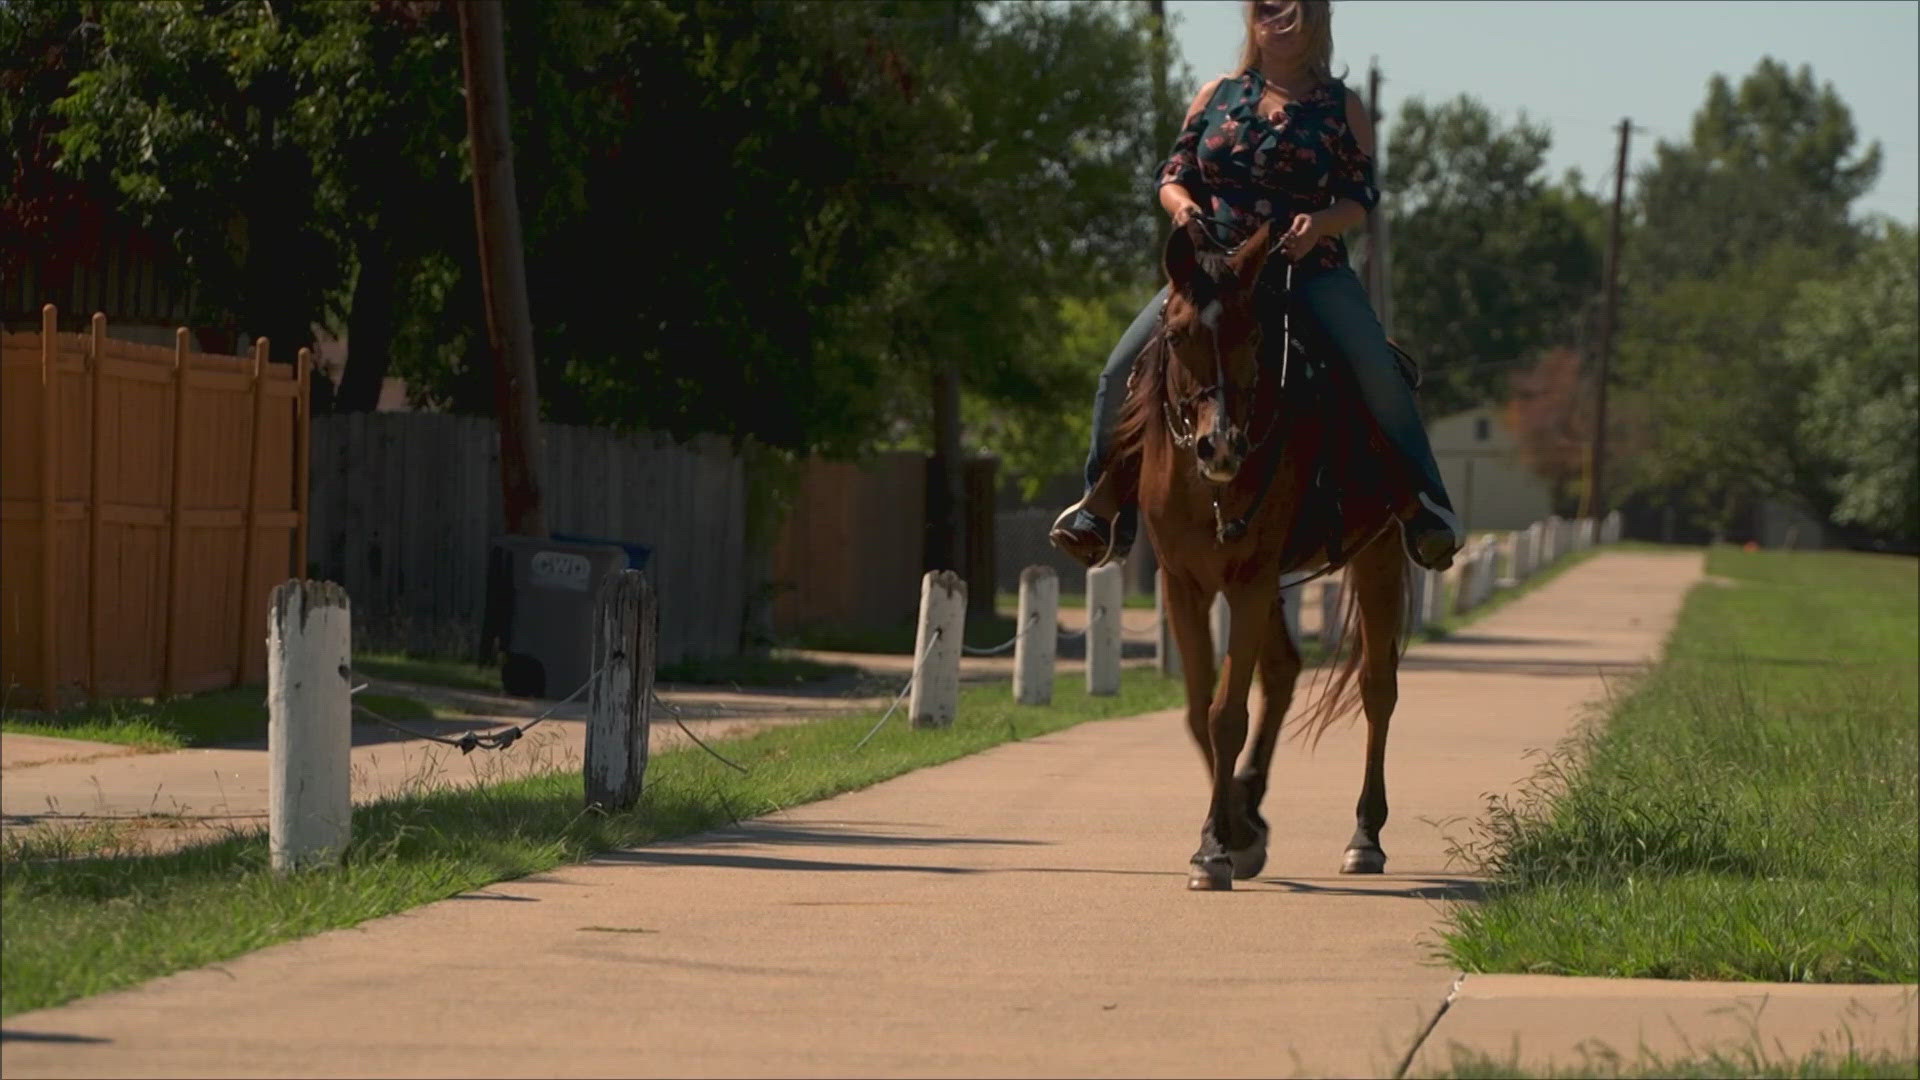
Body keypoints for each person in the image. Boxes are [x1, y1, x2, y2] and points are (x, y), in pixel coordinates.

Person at [1047, 0, 1464, 572]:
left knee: (1375, 368)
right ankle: (1099, 508)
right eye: (1266, 8)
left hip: (1308, 270)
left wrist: (1319, 223)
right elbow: (1173, 175)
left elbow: (1360, 197)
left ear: (1316, 19)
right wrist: (1184, 209)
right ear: (1252, 20)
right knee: (1119, 370)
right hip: (1215, 275)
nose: (1277, 20)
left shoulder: (1342, 106)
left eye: (1291, 10)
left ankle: (1425, 506)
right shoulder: (1217, 94)